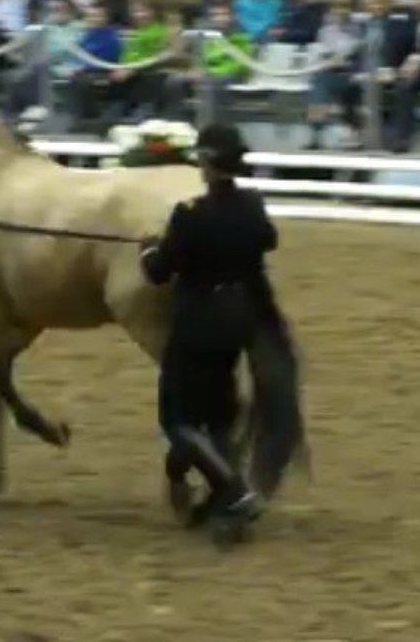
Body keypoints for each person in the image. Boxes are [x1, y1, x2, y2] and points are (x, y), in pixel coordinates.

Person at [138, 124, 276, 545]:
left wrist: (147, 247)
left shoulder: (190, 215)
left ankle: (235, 493)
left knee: (177, 419)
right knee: (216, 413)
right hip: (239, 318)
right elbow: (267, 240)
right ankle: (220, 492)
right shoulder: (253, 205)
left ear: (209, 163)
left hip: (198, 321)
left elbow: (159, 271)